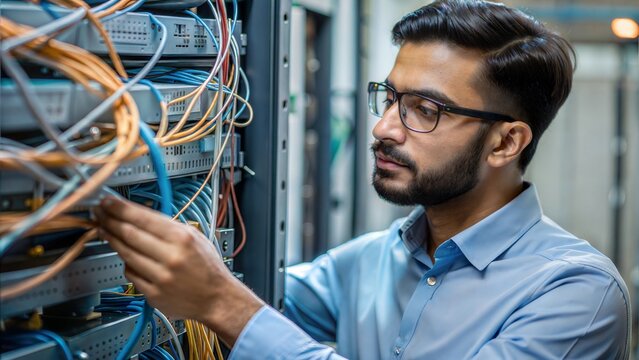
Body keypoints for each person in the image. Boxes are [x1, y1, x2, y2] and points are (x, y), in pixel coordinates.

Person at [96, 0, 631, 358]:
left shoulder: (576, 292)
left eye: (425, 109)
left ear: (506, 142)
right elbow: (249, 292)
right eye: (391, 97)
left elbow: (234, 304)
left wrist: (221, 304)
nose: (383, 128)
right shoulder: (368, 262)